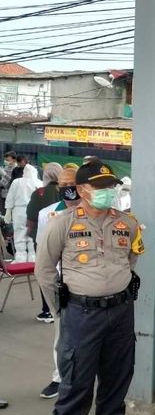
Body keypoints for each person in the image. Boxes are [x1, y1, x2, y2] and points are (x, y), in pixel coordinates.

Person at [35, 161, 145, 415]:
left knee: (118, 372)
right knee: (76, 378)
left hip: (121, 311)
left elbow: (130, 261)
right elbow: (44, 271)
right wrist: (62, 311)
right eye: (101, 187)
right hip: (81, 314)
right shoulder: (62, 224)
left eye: (111, 186)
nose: (108, 192)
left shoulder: (128, 222)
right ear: (82, 190)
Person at [38, 166, 81, 400]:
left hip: (86, 284)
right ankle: (59, 378)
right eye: (64, 185)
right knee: (62, 334)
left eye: (73, 184)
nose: (69, 189)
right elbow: (43, 257)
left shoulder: (94, 213)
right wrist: (54, 296)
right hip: (61, 284)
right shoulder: (48, 214)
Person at [26, 162, 64, 324]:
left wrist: (29, 234)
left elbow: (31, 216)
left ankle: (47, 310)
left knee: (46, 272)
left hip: (43, 238)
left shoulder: (39, 193)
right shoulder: (67, 192)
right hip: (65, 236)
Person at [5, 163, 42, 262]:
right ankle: (32, 256)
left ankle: (21, 257)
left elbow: (10, 198)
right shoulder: (39, 183)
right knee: (32, 234)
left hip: (19, 211)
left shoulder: (16, 182)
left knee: (19, 233)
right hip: (34, 211)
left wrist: (8, 211)